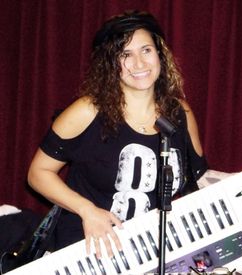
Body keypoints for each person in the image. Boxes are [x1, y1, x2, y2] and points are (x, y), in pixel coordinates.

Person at [27, 10, 208, 259]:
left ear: (160, 55)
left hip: (148, 251)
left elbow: (198, 179)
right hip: (87, 248)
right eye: (125, 55)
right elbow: (38, 173)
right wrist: (87, 210)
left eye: (146, 50)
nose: (139, 63)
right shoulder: (88, 110)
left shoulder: (180, 113)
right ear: (111, 64)